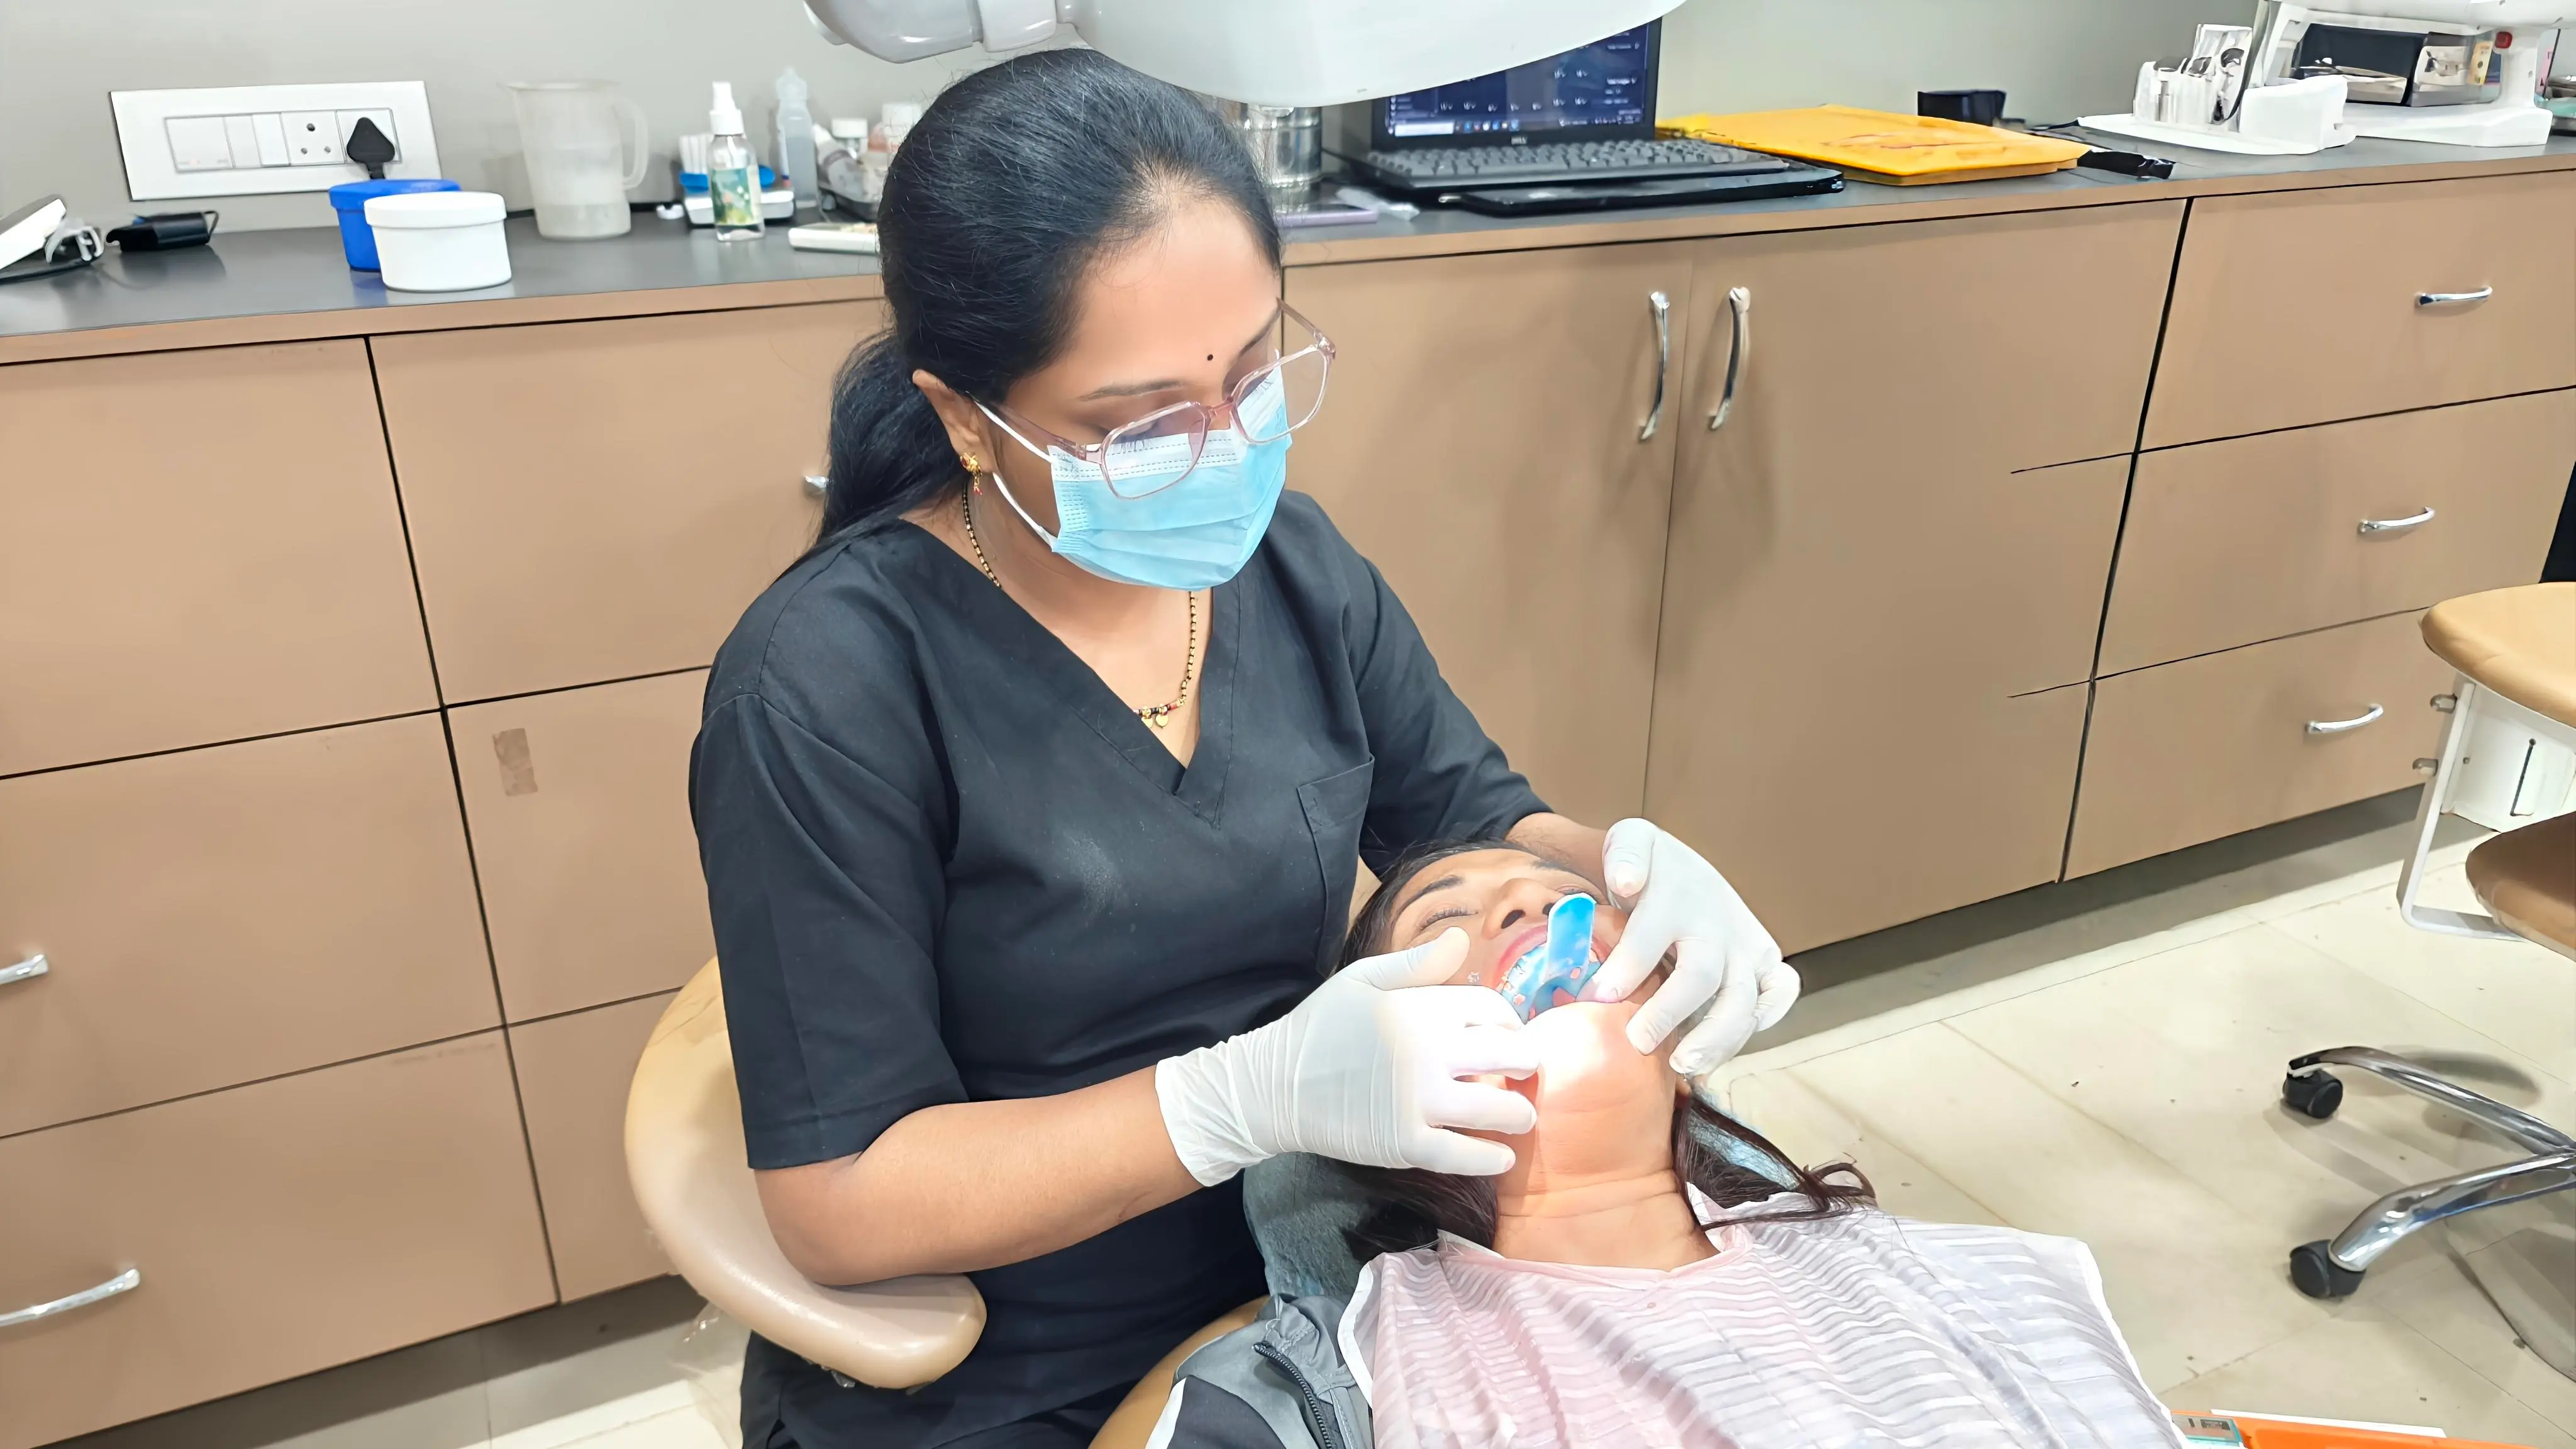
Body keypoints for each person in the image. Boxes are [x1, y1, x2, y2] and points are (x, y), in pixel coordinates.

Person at [691, 50, 1795, 1449]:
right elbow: (841, 1200)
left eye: (1257, 370)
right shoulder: (826, 684)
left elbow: (1466, 814)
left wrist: (1629, 866)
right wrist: (1233, 1100)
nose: (1225, 448)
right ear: (967, 416)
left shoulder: (1289, 569)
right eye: (1140, 419)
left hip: (1322, 1272)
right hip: (1016, 1367)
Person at [1150, 842, 2183, 1449]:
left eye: (1562, 898)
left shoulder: (1895, 1267)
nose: (1528, 906)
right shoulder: (1341, 1367)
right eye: (1445, 920)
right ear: (1369, 1097)